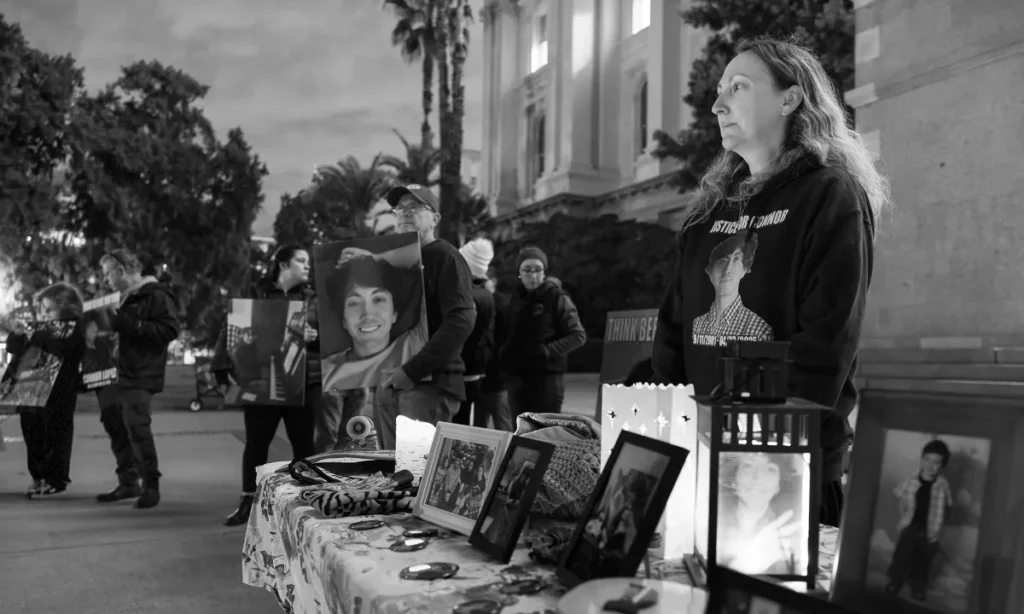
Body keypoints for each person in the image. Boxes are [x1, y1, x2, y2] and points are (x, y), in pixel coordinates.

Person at [649, 36, 890, 528]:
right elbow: (674, 333)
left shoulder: (830, 194)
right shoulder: (710, 209)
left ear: (789, 98)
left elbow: (825, 347)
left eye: (737, 87)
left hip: (781, 475)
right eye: (719, 91)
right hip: (698, 461)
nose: (717, 104)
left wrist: (753, 460)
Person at [215, 245, 323, 526]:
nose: (307, 266)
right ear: (283, 265)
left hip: (304, 384)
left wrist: (315, 337)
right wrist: (221, 369)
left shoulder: (315, 300)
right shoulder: (254, 293)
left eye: (308, 262)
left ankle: (306, 502)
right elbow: (230, 328)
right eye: (301, 261)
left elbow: (332, 341)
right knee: (256, 445)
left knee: (304, 445)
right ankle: (248, 503)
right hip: (260, 382)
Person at [373, 184, 476, 450]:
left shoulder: (446, 257)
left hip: (427, 386)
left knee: (417, 474)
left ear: (435, 219)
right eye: (400, 209)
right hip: (388, 380)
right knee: (392, 472)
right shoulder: (392, 261)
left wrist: (413, 370)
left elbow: (461, 320)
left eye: (415, 207)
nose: (405, 213)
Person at [95, 249, 181, 509]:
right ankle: (128, 481)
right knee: (114, 424)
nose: (105, 279)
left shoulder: (156, 295)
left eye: (108, 272)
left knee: (137, 426)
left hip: (140, 373)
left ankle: (150, 485)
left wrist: (127, 324)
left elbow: (170, 329)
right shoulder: (119, 298)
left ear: (122, 270)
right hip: (112, 373)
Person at [2, 285, 85, 497]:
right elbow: (17, 350)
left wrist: (40, 331)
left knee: (55, 433)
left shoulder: (74, 329)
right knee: (32, 430)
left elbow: (69, 350)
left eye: (49, 310)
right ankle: (38, 476)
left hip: (59, 389)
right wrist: (19, 335)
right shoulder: (41, 329)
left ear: (67, 308)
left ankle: (55, 480)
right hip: (31, 386)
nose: (44, 314)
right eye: (42, 310)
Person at [501, 247, 587, 417]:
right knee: (521, 433)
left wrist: (547, 351)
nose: (532, 275)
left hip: (547, 377)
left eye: (537, 270)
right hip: (517, 377)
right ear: (519, 272)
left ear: (544, 272)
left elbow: (578, 335)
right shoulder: (515, 298)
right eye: (527, 270)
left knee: (545, 433)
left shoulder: (557, 297)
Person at [886, 440, 953, 602]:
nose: (930, 466)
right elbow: (900, 497)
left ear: (942, 465)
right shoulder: (910, 479)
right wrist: (903, 517)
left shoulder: (943, 484)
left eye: (936, 462)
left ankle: (918, 586)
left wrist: (938, 527)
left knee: (923, 559)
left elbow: (947, 504)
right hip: (911, 525)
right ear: (922, 459)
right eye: (927, 460)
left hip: (931, 528)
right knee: (902, 555)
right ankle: (896, 581)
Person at [453, 238, 496, 427]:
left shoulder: (466, 296)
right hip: (475, 367)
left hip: (460, 368)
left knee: (457, 423)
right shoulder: (486, 295)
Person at [476, 268, 515, 431]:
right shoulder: (483, 302)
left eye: (484, 281)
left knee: (499, 420)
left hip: (495, 375)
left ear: (493, 282)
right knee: (481, 423)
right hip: (483, 373)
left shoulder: (501, 305)